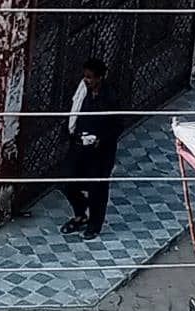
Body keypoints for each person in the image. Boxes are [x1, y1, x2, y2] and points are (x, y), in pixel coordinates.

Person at [60, 58, 123, 240]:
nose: (87, 80)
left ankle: (95, 224)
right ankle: (80, 213)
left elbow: (118, 125)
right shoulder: (82, 93)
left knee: (97, 188)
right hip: (79, 145)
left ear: (100, 78)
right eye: (85, 76)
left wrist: (101, 139)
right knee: (66, 181)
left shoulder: (110, 97)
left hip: (101, 152)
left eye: (90, 77)